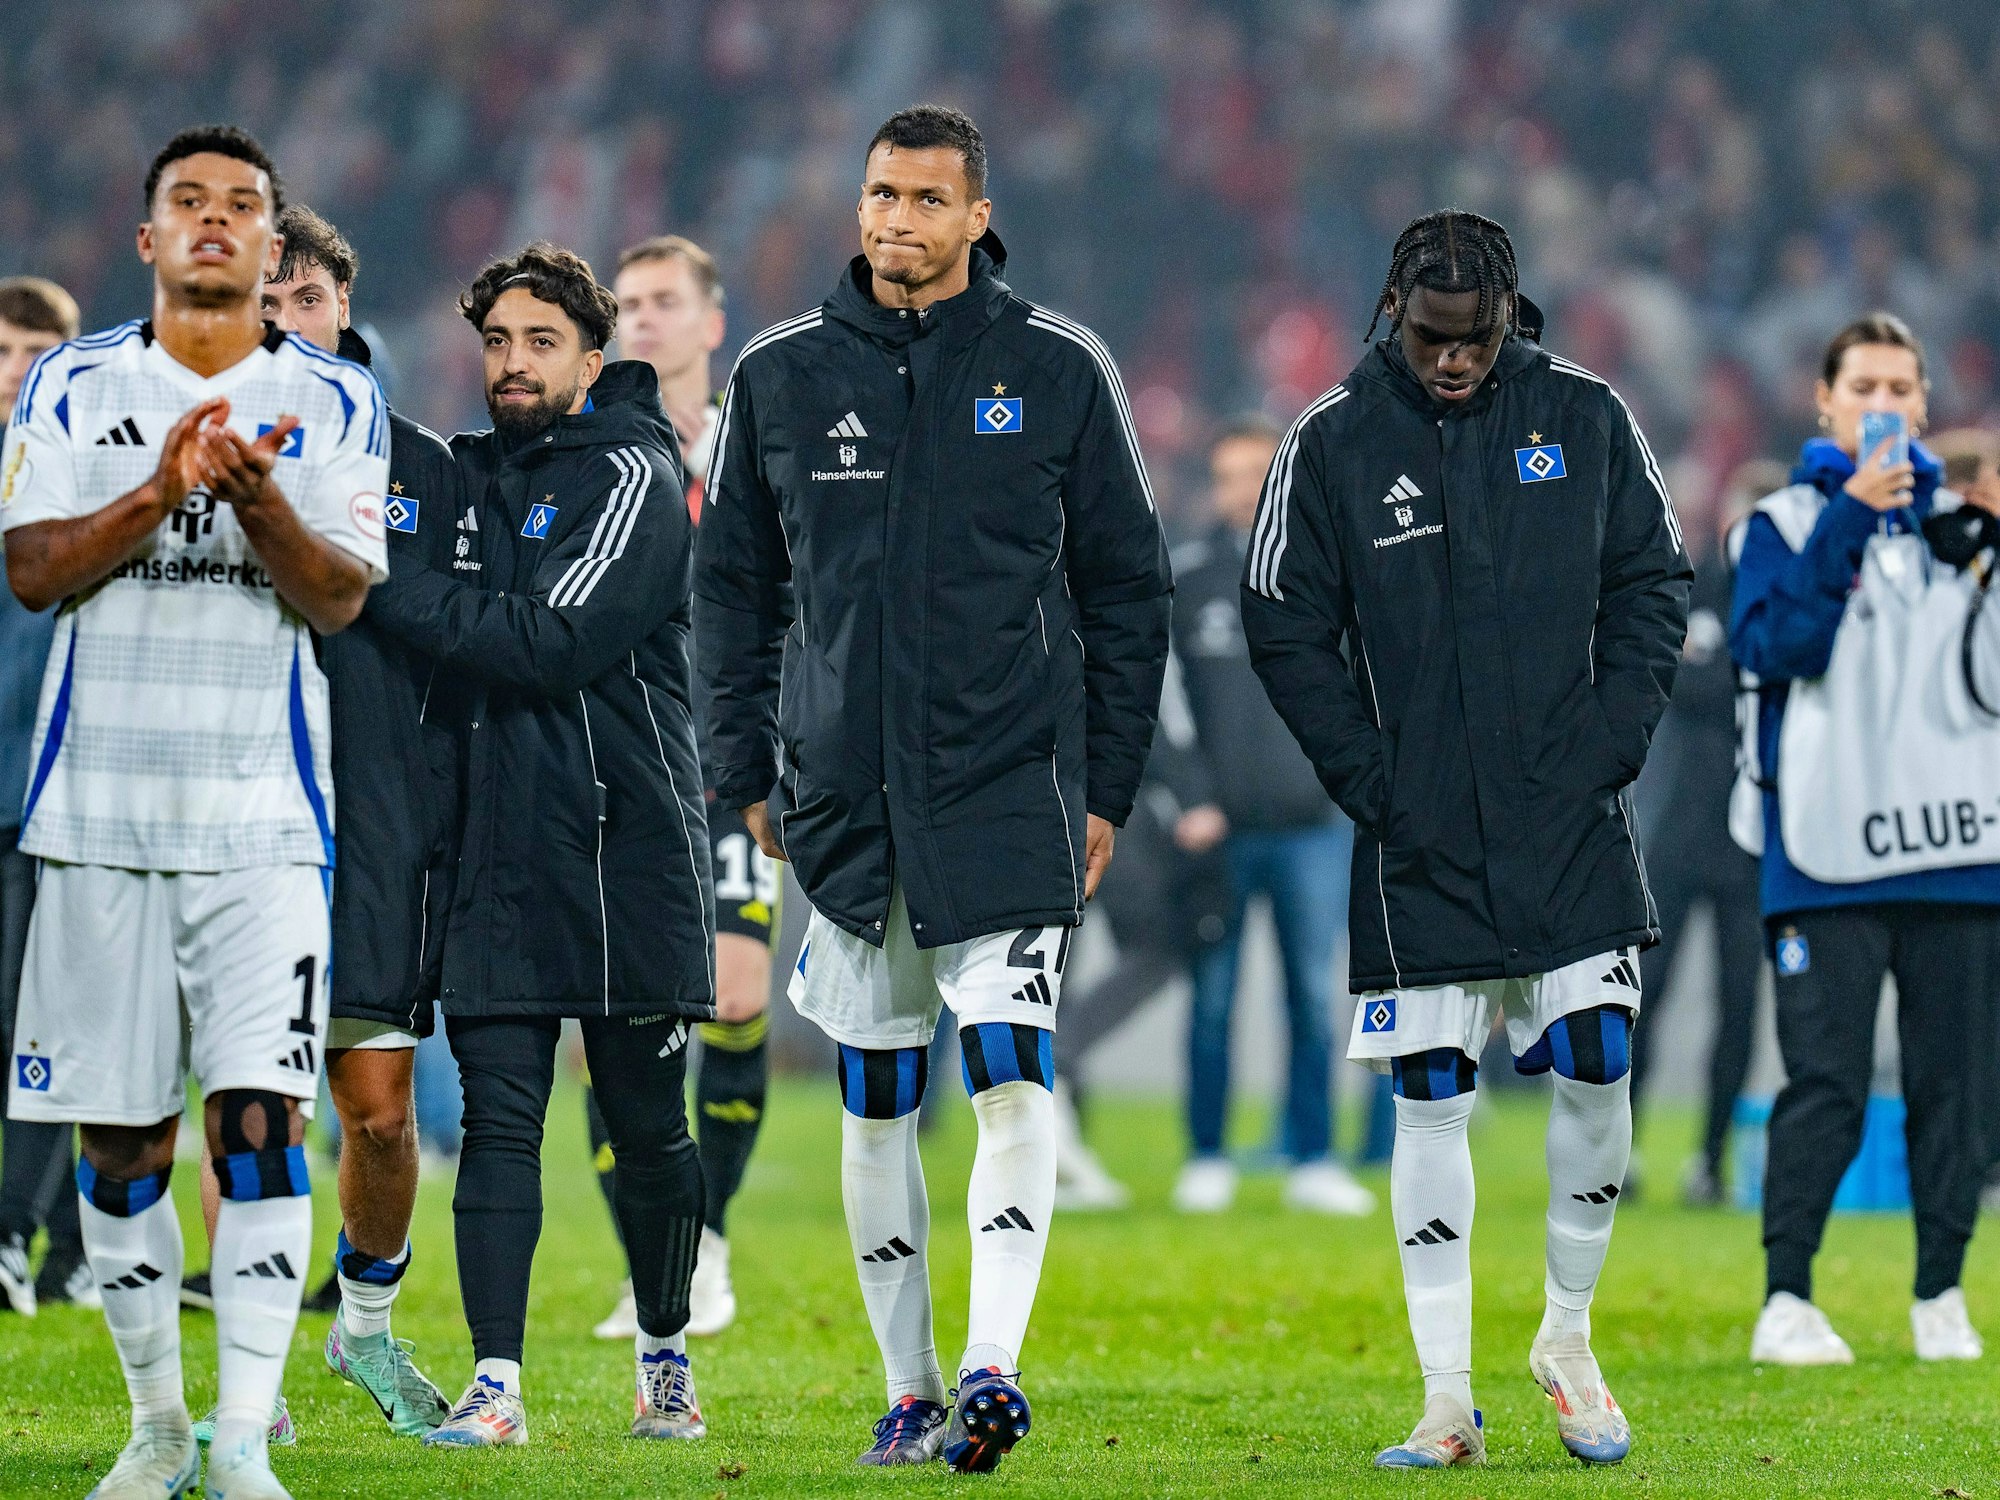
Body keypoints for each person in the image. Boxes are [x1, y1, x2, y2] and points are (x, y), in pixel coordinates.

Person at [697, 105, 1169, 1471]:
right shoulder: (781, 375)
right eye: (880, 195)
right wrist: (746, 771)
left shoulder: (1061, 367)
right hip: (843, 799)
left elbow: (1128, 590)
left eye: (924, 200)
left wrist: (1109, 782)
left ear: (978, 217)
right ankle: (906, 1390)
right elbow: (731, 594)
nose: (895, 221)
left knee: (1011, 1072)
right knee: (876, 1095)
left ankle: (988, 1367)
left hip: (1009, 786)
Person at [1242, 210, 1689, 1470]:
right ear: (1391, 309)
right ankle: (1445, 1401)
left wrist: (1612, 741)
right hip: (1417, 832)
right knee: (1427, 1099)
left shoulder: (1584, 416)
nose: (1452, 360)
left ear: (1508, 316)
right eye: (1432, 338)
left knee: (1599, 1058)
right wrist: (1368, 776)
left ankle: (1565, 1334)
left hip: (1566, 816)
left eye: (1475, 338)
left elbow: (1654, 576)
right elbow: (1277, 614)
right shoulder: (1328, 442)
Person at [3, 125, 387, 1500]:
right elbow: (34, 569)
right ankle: (157, 1424)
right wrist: (164, 486)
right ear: (148, 234)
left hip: (264, 827)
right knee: (120, 1143)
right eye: (190, 205)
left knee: (261, 1127)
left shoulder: (335, 403)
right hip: (98, 822)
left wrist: (257, 496)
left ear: (273, 246)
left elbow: (342, 593)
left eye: (242, 208)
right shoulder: (72, 380)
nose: (216, 224)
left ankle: (238, 1443)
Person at [360, 242, 714, 1447]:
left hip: (623, 849)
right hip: (491, 850)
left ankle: (664, 1351)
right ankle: (496, 1386)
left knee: (644, 1126)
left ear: (593, 358)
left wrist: (374, 588)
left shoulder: (632, 470)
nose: (512, 365)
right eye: (498, 343)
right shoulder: (466, 481)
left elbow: (551, 640)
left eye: (540, 344)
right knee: (501, 1123)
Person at [1732, 313, 1997, 1367]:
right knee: (1825, 1084)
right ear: (1825, 405)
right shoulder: (1782, 524)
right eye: (1864, 388)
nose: (1883, 406)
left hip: (1959, 849)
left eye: (1901, 387)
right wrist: (1849, 517)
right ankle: (1784, 1299)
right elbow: (1778, 644)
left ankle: (1939, 1292)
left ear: (1925, 404)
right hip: (1825, 852)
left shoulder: (1965, 531)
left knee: (1955, 1087)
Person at [589, 233, 772, 1341]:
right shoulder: (596, 447)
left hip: (729, 771)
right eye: (627, 305)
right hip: (615, 771)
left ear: (711, 324)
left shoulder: (758, 448)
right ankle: (646, 1260)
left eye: (663, 302)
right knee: (617, 1016)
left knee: (739, 994)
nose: (642, 320)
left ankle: (706, 1241)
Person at [1171, 416, 1372, 1219]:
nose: (1243, 489)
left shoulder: (1333, 575)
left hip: (1315, 824)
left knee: (1314, 997)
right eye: (1229, 475)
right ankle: (1207, 1153)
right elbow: (1155, 700)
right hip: (1220, 827)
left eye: (1258, 472)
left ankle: (1314, 1156)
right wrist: (1189, 796)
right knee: (1212, 998)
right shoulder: (1187, 581)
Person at [1626, 458, 1780, 1205]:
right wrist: (1728, 679)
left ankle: (1711, 1160)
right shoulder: (1696, 589)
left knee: (1739, 1003)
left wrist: (1709, 672)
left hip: (1754, 841)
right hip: (1682, 830)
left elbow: (1705, 680)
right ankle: (1617, 1153)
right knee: (1647, 993)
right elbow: (1666, 680)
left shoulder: (1788, 603)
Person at [0, 275, 88, 1317]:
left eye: (31, 352)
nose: (14, 372)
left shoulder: (80, 472)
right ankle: (65, 1247)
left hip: (53, 788)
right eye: (2, 351)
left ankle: (14, 1234)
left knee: (37, 1026)